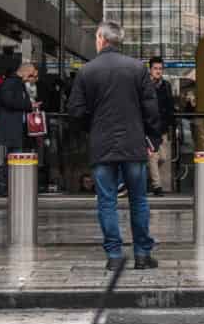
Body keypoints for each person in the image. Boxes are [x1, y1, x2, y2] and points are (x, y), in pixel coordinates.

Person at [65, 20, 160, 270]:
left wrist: (92, 127)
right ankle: (142, 254)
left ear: (101, 39)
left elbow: (75, 111)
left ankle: (114, 256)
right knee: (138, 200)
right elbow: (151, 108)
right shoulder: (137, 68)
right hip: (133, 145)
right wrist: (152, 137)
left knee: (106, 201)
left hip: (102, 145)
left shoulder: (87, 71)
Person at [146, 58, 176, 195]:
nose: (158, 71)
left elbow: (170, 106)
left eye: (160, 69)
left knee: (163, 157)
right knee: (153, 156)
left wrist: (170, 123)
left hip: (162, 128)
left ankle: (147, 178)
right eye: (155, 68)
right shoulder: (145, 85)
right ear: (150, 70)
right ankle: (157, 187)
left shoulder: (166, 85)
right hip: (149, 128)